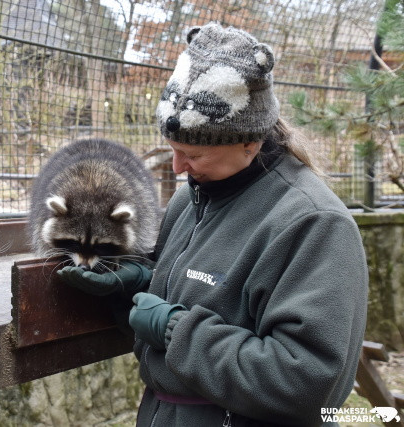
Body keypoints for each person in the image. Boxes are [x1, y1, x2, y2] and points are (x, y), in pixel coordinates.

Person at [58, 22, 368, 426]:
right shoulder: (191, 198)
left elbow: (305, 381)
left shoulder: (313, 224)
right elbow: (173, 311)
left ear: (248, 142)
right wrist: (133, 286)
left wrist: (175, 329)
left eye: (193, 154)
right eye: (172, 149)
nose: (176, 167)